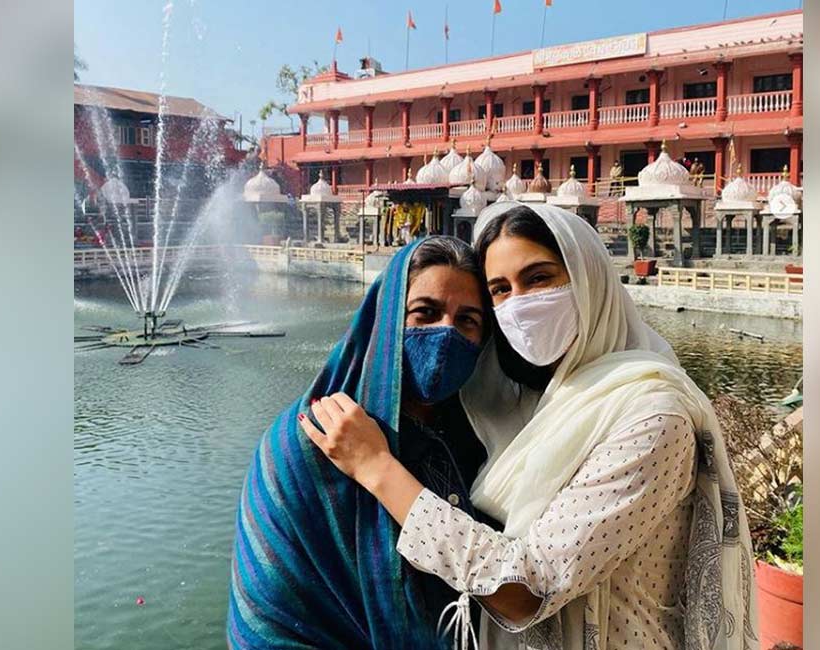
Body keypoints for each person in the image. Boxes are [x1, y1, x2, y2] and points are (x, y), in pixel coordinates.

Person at [302, 203, 758, 650]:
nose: (520, 304)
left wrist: (377, 467)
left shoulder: (653, 417)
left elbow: (525, 589)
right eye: (500, 290)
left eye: (538, 278)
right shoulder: (530, 406)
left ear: (588, 278)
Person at [228, 237, 494, 649]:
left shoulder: (476, 437)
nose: (446, 333)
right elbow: (266, 622)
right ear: (385, 319)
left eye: (467, 321)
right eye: (425, 313)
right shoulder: (308, 442)